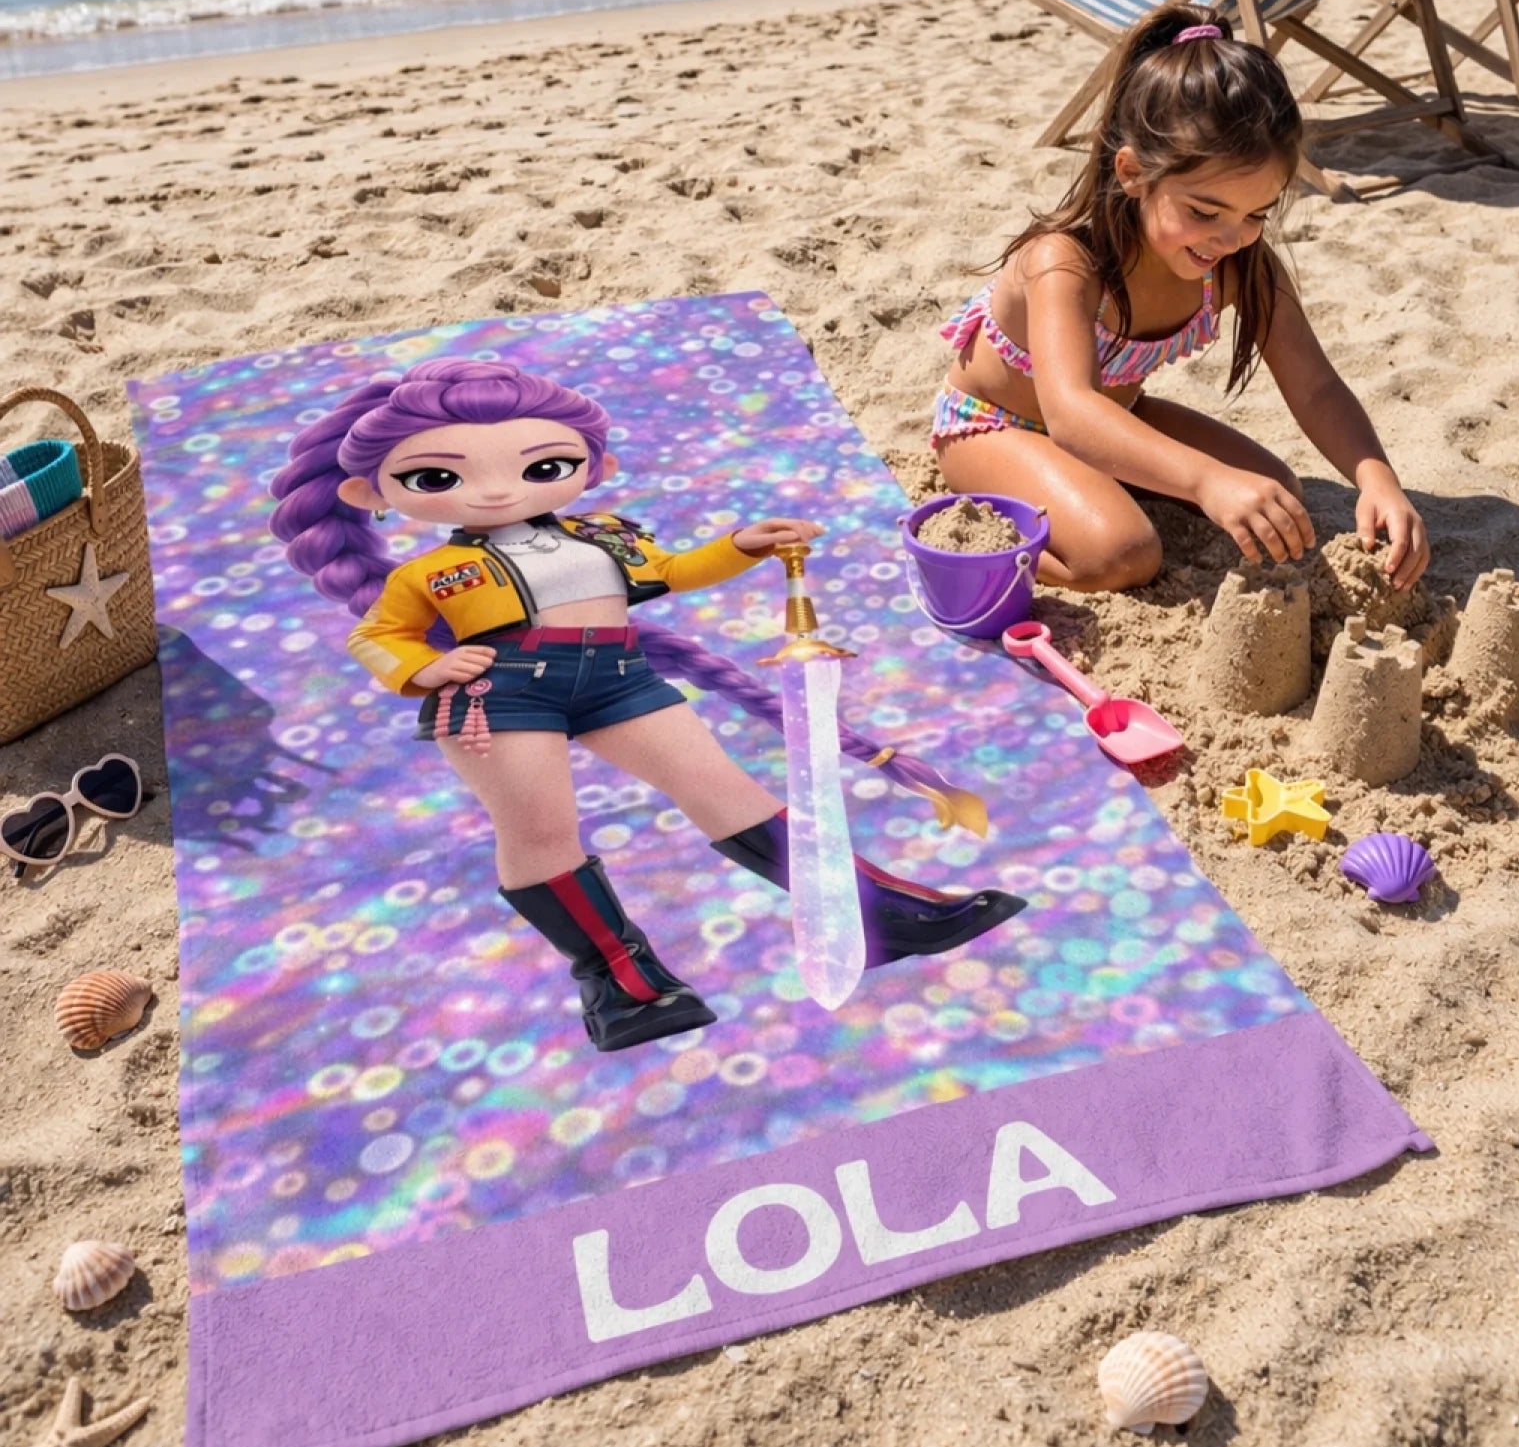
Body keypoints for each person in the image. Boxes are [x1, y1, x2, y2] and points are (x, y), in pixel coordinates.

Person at [270, 357, 1021, 1054]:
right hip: (498, 691)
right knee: (540, 831)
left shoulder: (606, 535)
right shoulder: (432, 571)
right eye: (437, 476)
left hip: (615, 674)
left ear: (594, 468)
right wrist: (425, 668)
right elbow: (376, 638)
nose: (499, 491)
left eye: (544, 467)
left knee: (728, 792)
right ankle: (622, 986)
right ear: (370, 492)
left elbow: (672, 571)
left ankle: (880, 913)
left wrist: (742, 544)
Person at [934, 5, 1429, 595]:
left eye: (1256, 215)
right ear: (1133, 173)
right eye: (1204, 212)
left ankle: (1093, 489)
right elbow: (1071, 415)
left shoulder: (1242, 269)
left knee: (1276, 490)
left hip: (1113, 422)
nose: (1230, 238)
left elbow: (1316, 386)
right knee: (1122, 553)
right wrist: (1204, 481)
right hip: (994, 426)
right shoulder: (1066, 263)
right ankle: (968, 550)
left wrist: (1377, 480)